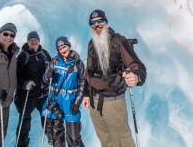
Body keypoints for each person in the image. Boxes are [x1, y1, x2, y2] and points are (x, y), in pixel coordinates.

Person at [82, 9, 147, 147]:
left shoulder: (118, 41)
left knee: (123, 139)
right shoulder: (91, 44)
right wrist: (86, 93)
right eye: (92, 22)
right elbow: (89, 71)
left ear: (105, 22)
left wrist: (136, 77)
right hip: (94, 101)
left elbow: (138, 66)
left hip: (112, 100)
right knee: (105, 138)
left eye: (100, 20)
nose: (96, 24)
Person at [41, 36, 85, 147]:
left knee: (74, 138)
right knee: (57, 137)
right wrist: (49, 73)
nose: (63, 50)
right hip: (55, 101)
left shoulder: (78, 63)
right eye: (60, 49)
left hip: (70, 102)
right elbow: (45, 80)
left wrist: (77, 102)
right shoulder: (54, 61)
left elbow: (82, 83)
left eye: (64, 47)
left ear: (69, 46)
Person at [14, 31, 53, 146]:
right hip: (28, 94)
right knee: (25, 120)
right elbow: (17, 74)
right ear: (28, 42)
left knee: (46, 117)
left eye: (35, 39)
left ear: (39, 41)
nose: (33, 42)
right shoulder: (23, 55)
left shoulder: (44, 53)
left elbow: (51, 67)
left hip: (42, 93)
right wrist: (24, 83)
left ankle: (51, 138)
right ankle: (22, 143)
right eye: (31, 40)